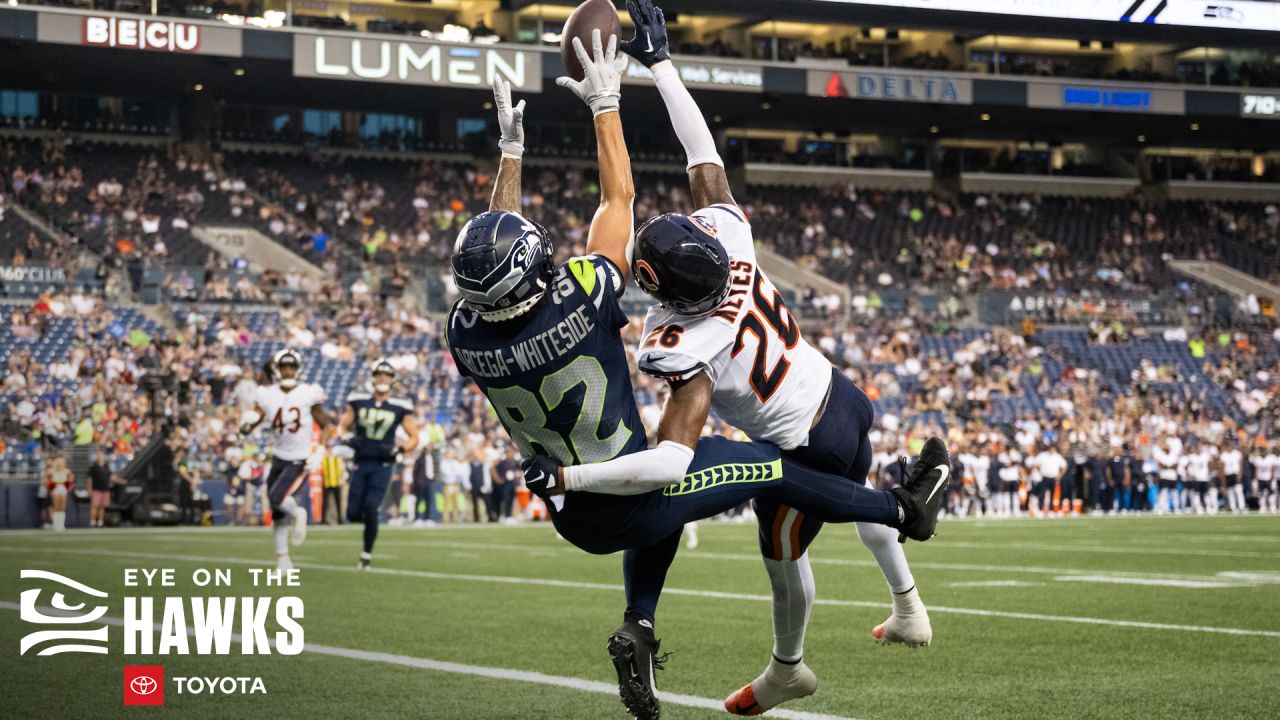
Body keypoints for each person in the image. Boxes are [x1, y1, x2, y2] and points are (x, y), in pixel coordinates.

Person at [449, 51, 949, 720]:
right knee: (710, 483)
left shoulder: (466, 337)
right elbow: (625, 194)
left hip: (578, 509)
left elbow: (496, 263)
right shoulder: (689, 261)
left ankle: (650, 625)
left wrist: (511, 153)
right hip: (810, 401)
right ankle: (901, 537)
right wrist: (613, 98)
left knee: (685, 488)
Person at [613, 2, 944, 711]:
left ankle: (787, 668)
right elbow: (702, 155)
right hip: (839, 392)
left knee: (783, 554)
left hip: (802, 439)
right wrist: (661, 64)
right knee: (862, 502)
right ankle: (909, 606)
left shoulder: (680, 339)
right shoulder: (730, 237)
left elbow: (677, 432)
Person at [239, 349, 330, 570]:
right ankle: (283, 560)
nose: (288, 371)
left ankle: (299, 513)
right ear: (277, 370)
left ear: (298, 370)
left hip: (299, 458)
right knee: (277, 509)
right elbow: (255, 420)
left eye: (291, 367)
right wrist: (246, 426)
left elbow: (326, 424)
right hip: (279, 456)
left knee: (276, 496)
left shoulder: (308, 393)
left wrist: (320, 450)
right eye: (284, 367)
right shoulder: (266, 393)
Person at [332, 357, 419, 569]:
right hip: (361, 462)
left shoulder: (400, 406)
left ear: (392, 380)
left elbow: (414, 436)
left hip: (383, 464)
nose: (382, 378)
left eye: (386, 375)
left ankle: (366, 555)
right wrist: (345, 437)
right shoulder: (359, 401)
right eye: (378, 374)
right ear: (372, 378)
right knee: (352, 514)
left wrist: (400, 449)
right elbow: (342, 426)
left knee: (371, 506)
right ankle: (370, 528)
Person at [46, 456, 73, 532]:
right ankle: (55, 525)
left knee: (62, 508)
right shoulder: (52, 471)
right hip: (56, 489)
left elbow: (71, 478)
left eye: (62, 462)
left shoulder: (66, 471)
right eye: (60, 462)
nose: (61, 463)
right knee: (56, 507)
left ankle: (61, 525)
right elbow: (48, 476)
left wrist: (67, 485)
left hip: (63, 488)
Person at [87, 449, 113, 528]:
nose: (100, 457)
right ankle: (92, 522)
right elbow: (89, 480)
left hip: (105, 490)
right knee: (94, 506)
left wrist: (122, 481)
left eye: (101, 455)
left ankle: (100, 522)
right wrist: (89, 489)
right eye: (99, 455)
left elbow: (111, 476)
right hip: (96, 490)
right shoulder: (93, 467)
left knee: (102, 507)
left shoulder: (106, 466)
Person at [321, 445, 346, 525]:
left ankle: (339, 519)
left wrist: (342, 479)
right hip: (327, 483)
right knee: (325, 502)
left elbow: (342, 470)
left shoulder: (337, 459)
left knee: (338, 502)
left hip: (336, 483)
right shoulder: (324, 459)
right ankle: (324, 519)